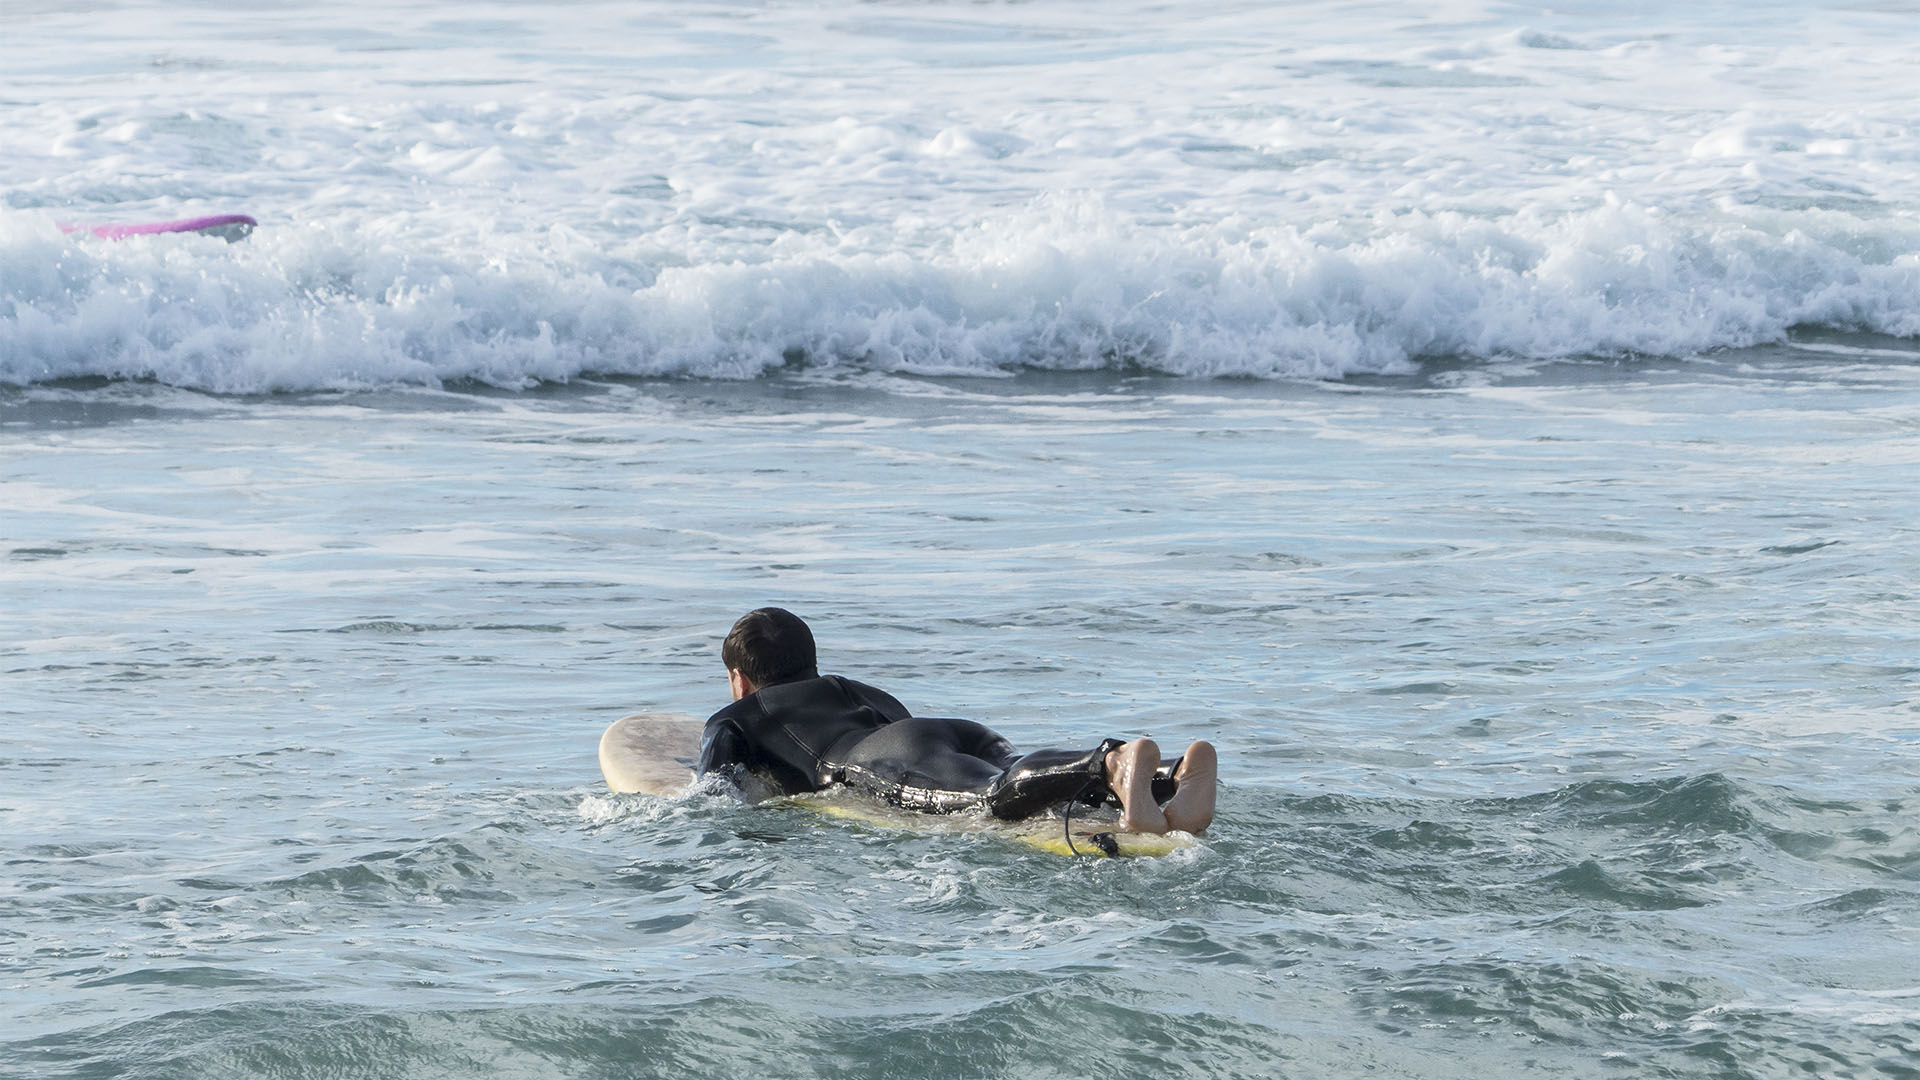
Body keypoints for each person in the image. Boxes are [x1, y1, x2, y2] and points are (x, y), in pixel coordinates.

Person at [697, 607, 1216, 835]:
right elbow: (912, 737)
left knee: (989, 798)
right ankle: (1167, 778)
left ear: (739, 679)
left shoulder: (734, 717)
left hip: (874, 758)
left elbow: (711, 795)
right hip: (945, 731)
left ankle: (1113, 765)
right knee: (1008, 776)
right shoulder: (854, 689)